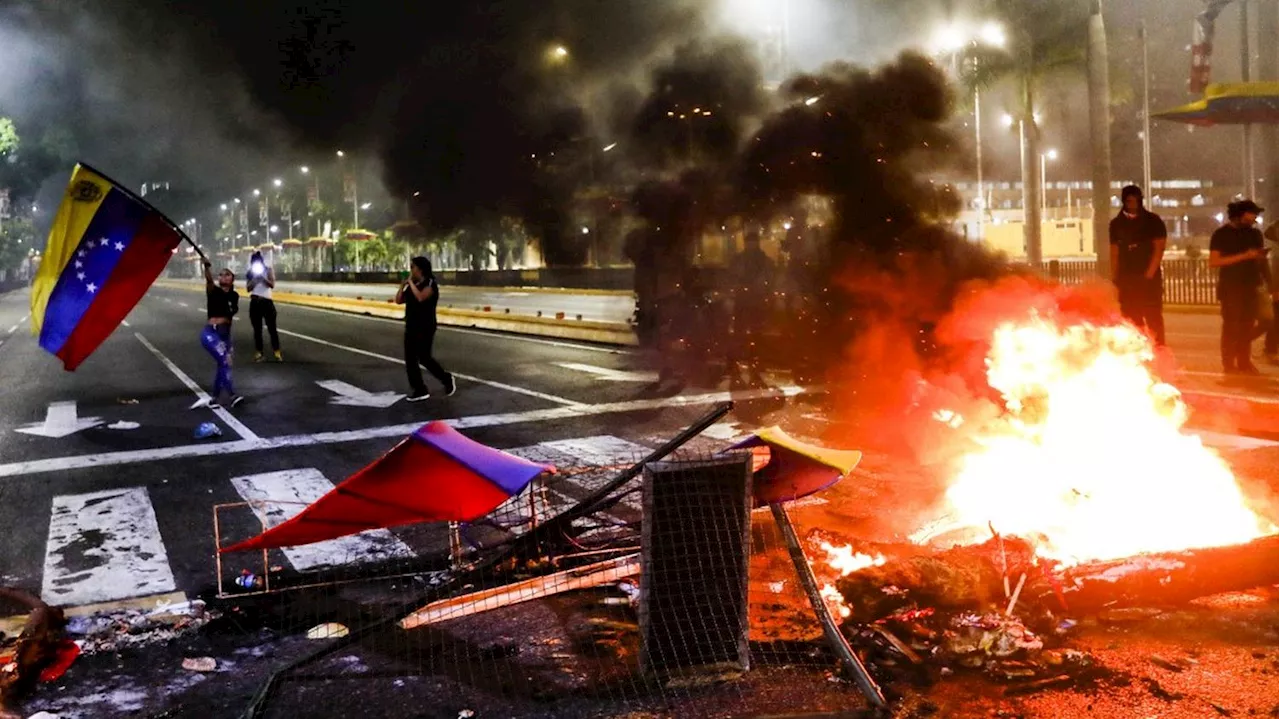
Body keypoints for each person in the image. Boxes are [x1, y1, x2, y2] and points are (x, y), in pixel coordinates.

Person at [1208, 200, 1276, 376]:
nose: (1255, 217)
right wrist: (1245, 256)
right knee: (1232, 326)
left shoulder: (1255, 234)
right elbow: (1214, 261)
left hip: (1251, 285)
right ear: (1240, 214)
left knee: (1250, 325)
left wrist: (1271, 285)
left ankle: (1244, 362)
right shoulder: (1221, 234)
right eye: (1252, 213)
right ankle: (1229, 365)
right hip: (1231, 286)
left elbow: (1261, 261)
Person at [1109, 185, 1168, 346]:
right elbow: (1114, 252)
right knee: (1131, 318)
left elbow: (1159, 249)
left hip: (1149, 278)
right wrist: (1115, 278)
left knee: (1153, 316)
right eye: (1129, 200)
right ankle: (1137, 351)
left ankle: (1158, 351)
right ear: (1124, 201)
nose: (1133, 203)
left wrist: (1149, 275)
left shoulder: (1153, 221)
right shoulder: (1116, 224)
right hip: (1127, 278)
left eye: (1136, 200)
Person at [396, 256, 456, 401]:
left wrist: (410, 283)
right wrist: (402, 285)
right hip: (411, 325)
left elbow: (421, 297)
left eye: (413, 267)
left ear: (420, 269)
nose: (411, 270)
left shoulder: (430, 283)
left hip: (425, 326)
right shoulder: (413, 285)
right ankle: (419, 389)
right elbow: (398, 300)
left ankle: (446, 378)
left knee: (424, 357)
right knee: (410, 359)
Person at [202, 259, 244, 408]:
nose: (223, 277)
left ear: (232, 278)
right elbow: (208, 280)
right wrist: (206, 267)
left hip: (224, 335)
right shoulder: (214, 291)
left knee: (223, 364)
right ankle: (232, 396)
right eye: (220, 275)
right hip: (210, 334)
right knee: (224, 362)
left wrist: (228, 344)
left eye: (227, 275)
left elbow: (229, 320)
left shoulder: (234, 296)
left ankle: (215, 397)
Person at [245, 250, 282, 362]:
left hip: (267, 302)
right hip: (255, 302)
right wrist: (255, 279)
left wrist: (263, 277)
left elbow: (272, 284)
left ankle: (277, 352)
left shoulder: (268, 270)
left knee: (272, 329)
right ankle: (259, 352)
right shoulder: (250, 273)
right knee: (257, 330)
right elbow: (248, 289)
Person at [1264, 220, 1280, 364]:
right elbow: (1275, 274)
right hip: (1278, 292)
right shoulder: (1277, 253)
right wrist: (1275, 291)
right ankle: (1270, 349)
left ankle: (1270, 348)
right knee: (1276, 321)